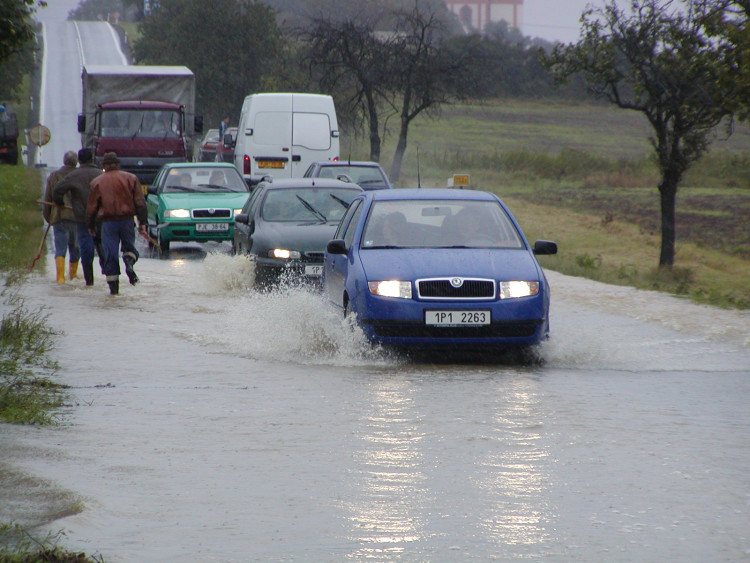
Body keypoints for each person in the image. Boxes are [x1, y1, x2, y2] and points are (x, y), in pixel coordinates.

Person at [86, 152, 148, 295]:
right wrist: (142, 223)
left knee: (110, 255)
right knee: (129, 248)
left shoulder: (97, 182)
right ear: (117, 164)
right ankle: (129, 263)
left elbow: (91, 208)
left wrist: (90, 225)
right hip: (127, 221)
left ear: (104, 166)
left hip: (108, 223)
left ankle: (114, 291)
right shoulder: (131, 178)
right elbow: (140, 203)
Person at [52, 148, 103, 286]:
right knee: (102, 243)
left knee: (85, 246)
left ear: (79, 161)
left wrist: (59, 203)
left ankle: (89, 280)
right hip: (100, 217)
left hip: (82, 218)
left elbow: (58, 189)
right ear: (92, 159)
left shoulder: (75, 175)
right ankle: (108, 271)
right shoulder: (100, 174)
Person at [43, 150, 80, 283]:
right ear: (76, 162)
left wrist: (48, 217)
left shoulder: (54, 176)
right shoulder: (79, 176)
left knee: (60, 247)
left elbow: (48, 198)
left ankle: (60, 278)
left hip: (59, 217)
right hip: (77, 218)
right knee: (75, 247)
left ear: (64, 161)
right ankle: (73, 276)